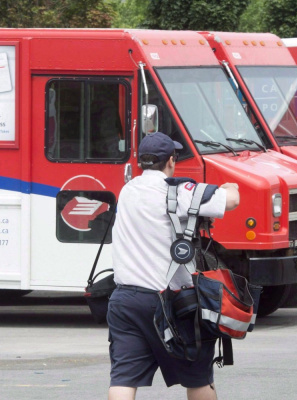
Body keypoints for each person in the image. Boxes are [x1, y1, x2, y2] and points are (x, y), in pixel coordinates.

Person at [107, 132, 240, 400]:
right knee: (198, 376)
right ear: (171, 160)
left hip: (125, 300)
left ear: (142, 162)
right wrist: (230, 186)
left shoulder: (128, 190)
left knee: (124, 377)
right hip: (172, 303)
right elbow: (232, 200)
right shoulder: (178, 192)